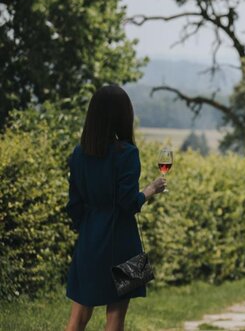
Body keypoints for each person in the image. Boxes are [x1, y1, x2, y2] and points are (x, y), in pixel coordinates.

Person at [65, 85, 166, 331]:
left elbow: (74, 206)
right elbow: (128, 203)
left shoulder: (78, 154)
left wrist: (90, 229)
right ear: (123, 116)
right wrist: (151, 189)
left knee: (77, 318)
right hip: (123, 243)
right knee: (115, 319)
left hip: (89, 242)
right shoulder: (127, 154)